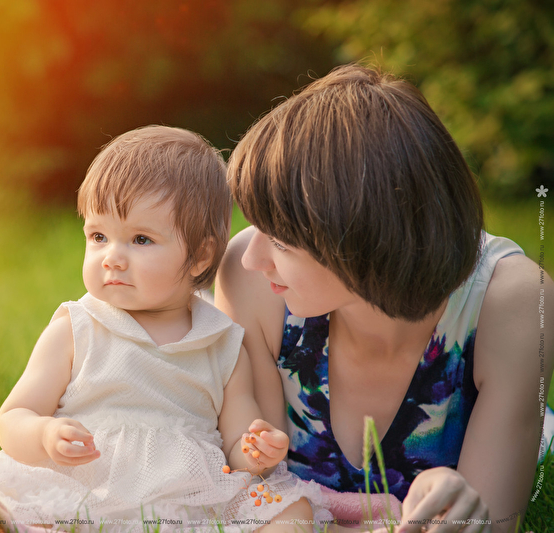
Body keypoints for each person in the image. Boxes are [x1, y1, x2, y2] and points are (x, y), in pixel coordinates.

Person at [216, 64, 554, 532]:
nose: (253, 257)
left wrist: (461, 516)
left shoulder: (511, 302)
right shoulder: (251, 282)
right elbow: (253, 497)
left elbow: (495, 522)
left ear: (361, 238)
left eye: (281, 242)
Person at [0, 126, 331, 530]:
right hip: (86, 483)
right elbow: (14, 416)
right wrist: (45, 433)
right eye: (98, 236)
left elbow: (237, 442)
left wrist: (255, 449)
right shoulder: (77, 327)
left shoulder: (222, 343)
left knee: (292, 510)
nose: (112, 257)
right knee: (1, 511)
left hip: (188, 493)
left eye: (140, 239)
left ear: (201, 255)